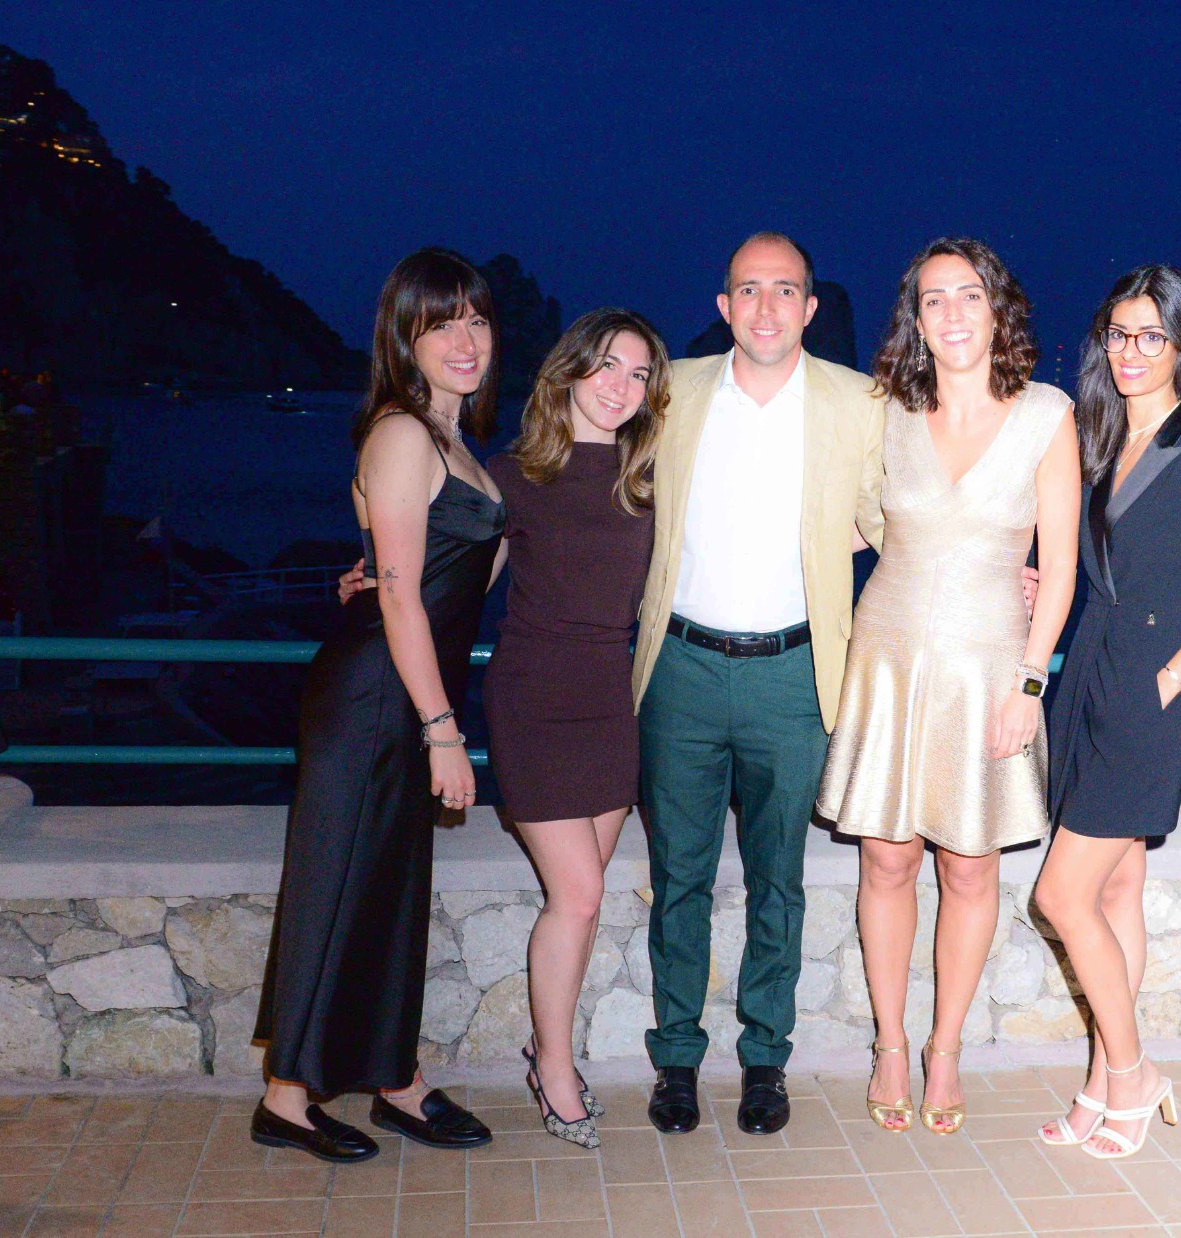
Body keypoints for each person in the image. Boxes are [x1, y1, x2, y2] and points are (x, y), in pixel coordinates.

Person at [817, 238, 1080, 1135]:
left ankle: (946, 1048)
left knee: (970, 868)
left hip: (990, 671)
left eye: (970, 295)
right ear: (916, 319)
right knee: (886, 860)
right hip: (888, 661)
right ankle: (891, 1043)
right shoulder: (887, 411)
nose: (954, 314)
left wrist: (1030, 684)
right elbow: (848, 522)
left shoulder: (1046, 414)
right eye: (934, 300)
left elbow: (1061, 567)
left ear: (998, 308)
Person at [252, 248, 505, 1163]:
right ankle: (286, 1098)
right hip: (375, 697)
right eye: (441, 322)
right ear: (405, 337)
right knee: (338, 883)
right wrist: (445, 731)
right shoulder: (402, 433)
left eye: (476, 318)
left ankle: (394, 1078)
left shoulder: (454, 441)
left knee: (390, 893)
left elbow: (440, 576)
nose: (464, 339)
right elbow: (400, 600)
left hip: (405, 689)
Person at [636, 232, 884, 1136]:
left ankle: (765, 1059)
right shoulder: (673, 390)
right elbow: (596, 488)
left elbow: (900, 517)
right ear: (724, 305)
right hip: (681, 670)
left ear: (810, 308)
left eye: (785, 290)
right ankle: (675, 1060)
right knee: (680, 877)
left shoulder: (860, 402)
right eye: (749, 289)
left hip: (793, 673)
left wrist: (1009, 574)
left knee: (780, 880)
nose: (766, 307)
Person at [1033, 264, 1181, 1160]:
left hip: (1151, 692)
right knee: (1116, 886)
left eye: (1151, 336)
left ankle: (1134, 1074)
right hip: (1088, 677)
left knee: (1060, 895)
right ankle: (1102, 1083)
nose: (1131, 352)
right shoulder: (1096, 438)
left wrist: (1173, 679)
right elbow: (1099, 567)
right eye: (1119, 334)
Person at [484, 309, 670, 1148]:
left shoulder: (648, 480)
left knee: (582, 901)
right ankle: (554, 1067)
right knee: (581, 894)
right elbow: (455, 579)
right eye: (605, 365)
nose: (619, 386)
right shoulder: (515, 475)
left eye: (638, 373)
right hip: (532, 700)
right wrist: (377, 580)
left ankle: (545, 1047)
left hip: (610, 702)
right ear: (567, 372)